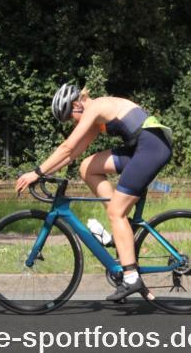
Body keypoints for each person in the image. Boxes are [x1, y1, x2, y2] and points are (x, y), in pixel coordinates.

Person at [14, 83, 173, 302]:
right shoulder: (96, 119)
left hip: (151, 146)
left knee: (115, 213)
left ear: (76, 104)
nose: (73, 121)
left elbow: (67, 147)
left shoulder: (96, 107)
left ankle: (131, 276)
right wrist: (43, 173)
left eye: (70, 116)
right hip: (141, 147)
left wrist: (36, 172)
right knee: (87, 167)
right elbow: (72, 155)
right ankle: (120, 227)